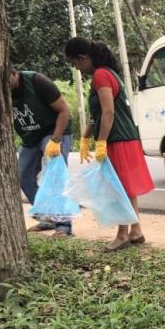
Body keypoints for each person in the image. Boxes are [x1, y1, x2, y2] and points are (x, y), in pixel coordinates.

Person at [65, 37, 154, 251]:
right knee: (125, 186)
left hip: (117, 139)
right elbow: (96, 115)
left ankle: (122, 234)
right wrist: (86, 136)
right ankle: (136, 229)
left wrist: (102, 142)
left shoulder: (100, 75)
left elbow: (108, 112)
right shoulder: (107, 74)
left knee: (117, 188)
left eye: (75, 63)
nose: (76, 68)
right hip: (125, 138)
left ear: (83, 57)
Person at [10, 68, 74, 237]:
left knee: (55, 175)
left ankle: (63, 225)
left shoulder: (37, 82)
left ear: (12, 73)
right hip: (30, 138)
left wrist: (55, 140)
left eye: (6, 80)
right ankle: (47, 218)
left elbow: (64, 110)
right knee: (24, 177)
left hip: (53, 131)